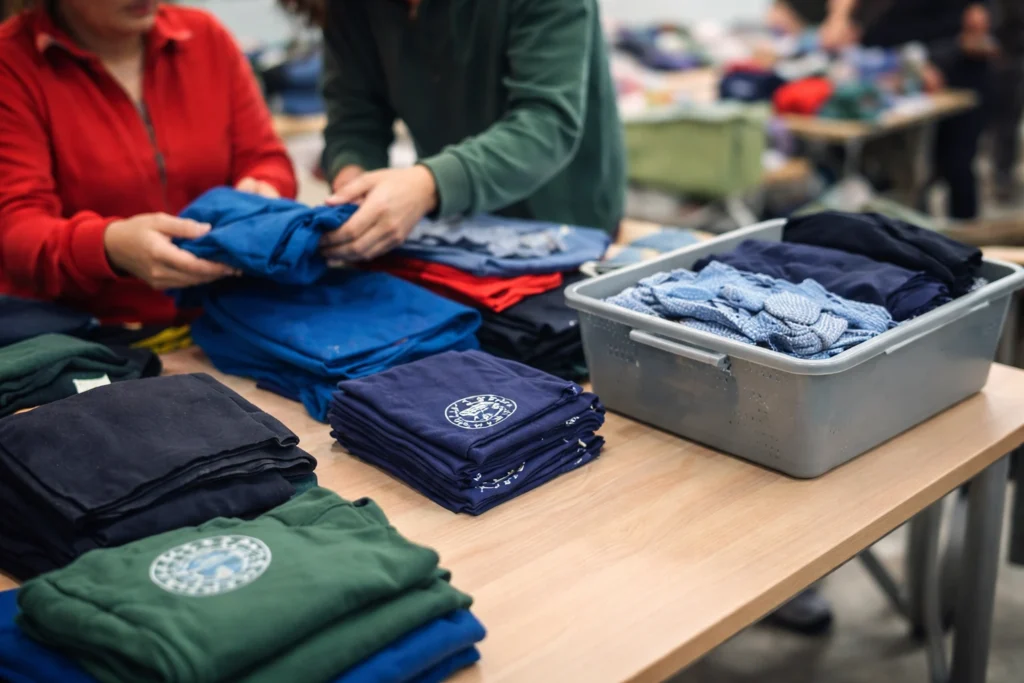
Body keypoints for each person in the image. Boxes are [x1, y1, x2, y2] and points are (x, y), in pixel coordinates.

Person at [0, 0, 297, 325]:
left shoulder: (205, 37)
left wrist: (265, 186)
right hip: (90, 331)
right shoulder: (12, 62)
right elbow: (18, 231)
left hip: (227, 315)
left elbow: (265, 156)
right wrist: (107, 247)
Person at [282, 0, 625, 264]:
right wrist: (352, 181)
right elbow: (356, 116)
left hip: (567, 224)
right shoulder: (350, 7)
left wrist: (427, 185)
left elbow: (547, 124)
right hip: (454, 228)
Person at [818, 0, 997, 221]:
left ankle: (967, 238)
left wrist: (937, 57)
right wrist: (841, 18)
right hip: (897, 74)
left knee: (956, 165)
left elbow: (981, 33)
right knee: (894, 171)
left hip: (956, 74)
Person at [991, 0, 1024, 202]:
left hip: (1013, 55)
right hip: (1008, 57)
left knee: (1008, 122)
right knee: (1006, 122)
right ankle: (1002, 175)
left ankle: (1003, 174)